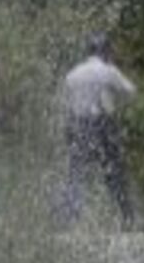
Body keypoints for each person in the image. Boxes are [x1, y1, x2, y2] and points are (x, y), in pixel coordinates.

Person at [59, 32, 138, 227]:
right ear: (104, 51)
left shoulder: (72, 73)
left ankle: (68, 218)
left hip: (78, 125)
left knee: (76, 173)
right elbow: (130, 91)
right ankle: (127, 218)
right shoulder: (108, 70)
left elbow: (67, 103)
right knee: (114, 172)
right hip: (103, 125)